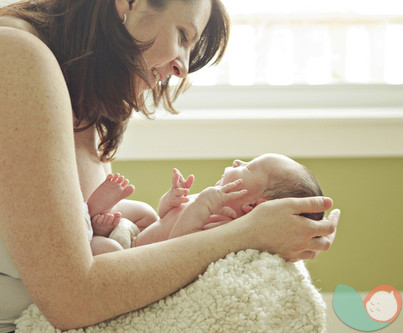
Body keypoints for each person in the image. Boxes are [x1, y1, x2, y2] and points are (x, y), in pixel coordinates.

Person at [0, 0, 340, 331]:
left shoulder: (85, 100)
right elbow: (73, 298)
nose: (183, 68)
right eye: (183, 35)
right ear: (128, 3)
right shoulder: (15, 56)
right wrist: (249, 232)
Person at [88, 153, 326, 254]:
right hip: (135, 231)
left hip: (130, 252)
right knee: (146, 211)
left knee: (105, 251)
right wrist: (173, 198)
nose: (237, 161)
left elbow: (180, 246)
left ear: (253, 206)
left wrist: (200, 205)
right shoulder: (210, 202)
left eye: (248, 166)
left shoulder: (221, 226)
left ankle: (97, 226)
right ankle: (100, 214)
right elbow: (165, 217)